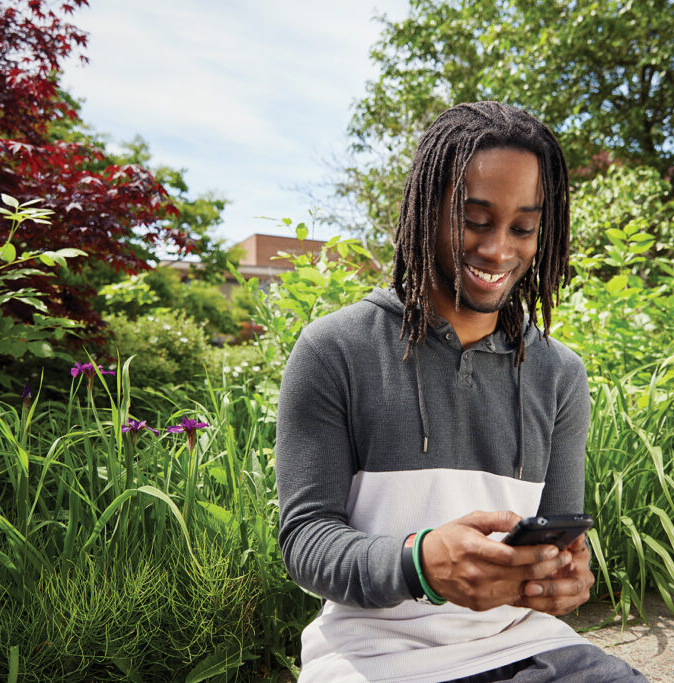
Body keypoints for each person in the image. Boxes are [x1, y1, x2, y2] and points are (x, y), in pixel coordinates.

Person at [276, 101, 647, 682]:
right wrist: (418, 562)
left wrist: (565, 577)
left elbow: (558, 532)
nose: (499, 250)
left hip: (525, 646)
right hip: (372, 657)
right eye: (474, 220)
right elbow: (306, 541)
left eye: (523, 227)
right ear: (425, 212)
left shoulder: (560, 375)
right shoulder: (334, 349)